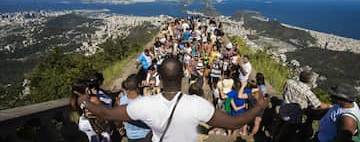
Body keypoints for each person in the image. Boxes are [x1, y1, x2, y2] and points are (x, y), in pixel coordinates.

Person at [76, 58, 269, 142]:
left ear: (159, 76)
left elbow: (107, 113)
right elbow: (236, 122)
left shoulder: (144, 104)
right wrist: (259, 106)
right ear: (183, 77)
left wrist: (85, 101)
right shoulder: (197, 104)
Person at [274, 70, 330, 142]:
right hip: (294, 118)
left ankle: (273, 137)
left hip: (283, 110)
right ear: (311, 82)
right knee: (287, 134)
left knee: (279, 126)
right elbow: (319, 105)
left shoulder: (289, 82)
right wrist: (330, 106)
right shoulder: (308, 93)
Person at [120, 75, 151, 142]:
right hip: (146, 136)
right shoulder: (144, 101)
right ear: (139, 85)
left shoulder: (122, 100)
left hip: (131, 137)